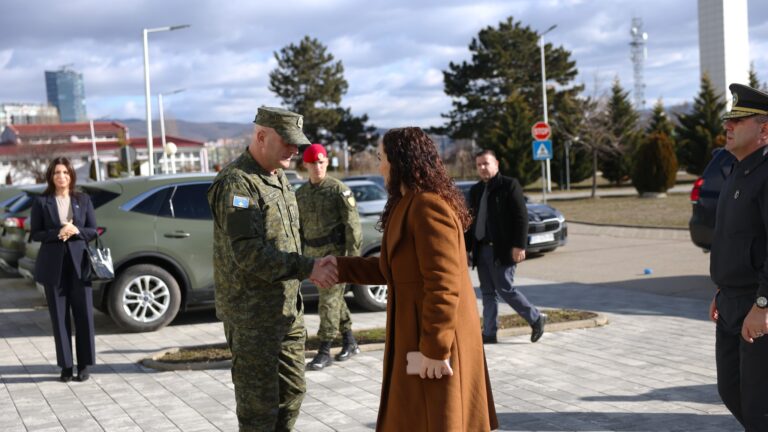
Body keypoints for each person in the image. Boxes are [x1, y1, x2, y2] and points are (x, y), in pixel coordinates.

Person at [328, 127, 498, 431]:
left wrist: (435, 349)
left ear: (400, 161)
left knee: (438, 419)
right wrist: (338, 268)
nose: (379, 165)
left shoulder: (427, 205)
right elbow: (391, 271)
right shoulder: (405, 203)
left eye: (382, 157)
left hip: (435, 341)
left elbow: (444, 284)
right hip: (415, 334)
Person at [207, 107, 336, 431]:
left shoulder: (280, 179)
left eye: (298, 144)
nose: (296, 151)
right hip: (253, 318)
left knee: (293, 394)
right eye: (289, 143)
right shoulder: (238, 184)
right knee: (258, 411)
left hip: (286, 311)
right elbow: (248, 253)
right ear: (261, 136)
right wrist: (308, 268)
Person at [709, 83, 768, 431]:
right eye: (727, 121)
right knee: (730, 389)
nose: (727, 127)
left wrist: (763, 304)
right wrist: (720, 290)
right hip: (730, 302)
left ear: (764, 129)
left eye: (738, 121)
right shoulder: (736, 172)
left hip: (755, 306)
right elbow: (733, 241)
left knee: (759, 405)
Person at [465, 149, 546, 344]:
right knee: (487, 292)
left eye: (486, 163)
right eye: (479, 165)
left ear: (496, 164)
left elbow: (521, 217)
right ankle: (490, 333)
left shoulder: (509, 185)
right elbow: (469, 222)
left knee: (504, 288)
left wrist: (519, 245)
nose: (482, 167)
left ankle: (536, 318)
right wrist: (467, 248)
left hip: (502, 249)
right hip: (481, 249)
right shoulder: (475, 190)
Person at [30, 157, 98, 382]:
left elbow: (93, 230)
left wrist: (75, 230)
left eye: (65, 172)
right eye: (57, 172)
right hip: (53, 266)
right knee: (59, 318)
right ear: (51, 176)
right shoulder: (42, 202)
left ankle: (85, 364)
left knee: (84, 316)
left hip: (80, 265)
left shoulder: (83, 199)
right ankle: (66, 366)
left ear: (71, 175)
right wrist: (57, 233)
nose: (61, 176)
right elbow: (36, 233)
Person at [296, 144, 363, 371]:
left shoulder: (338, 190)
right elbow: (298, 229)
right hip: (313, 258)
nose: (317, 167)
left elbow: (352, 226)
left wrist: (352, 261)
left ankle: (324, 350)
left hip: (335, 256)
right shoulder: (301, 194)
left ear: (326, 162)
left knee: (328, 301)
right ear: (305, 165)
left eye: (321, 162)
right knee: (334, 299)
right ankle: (350, 341)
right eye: (313, 163)